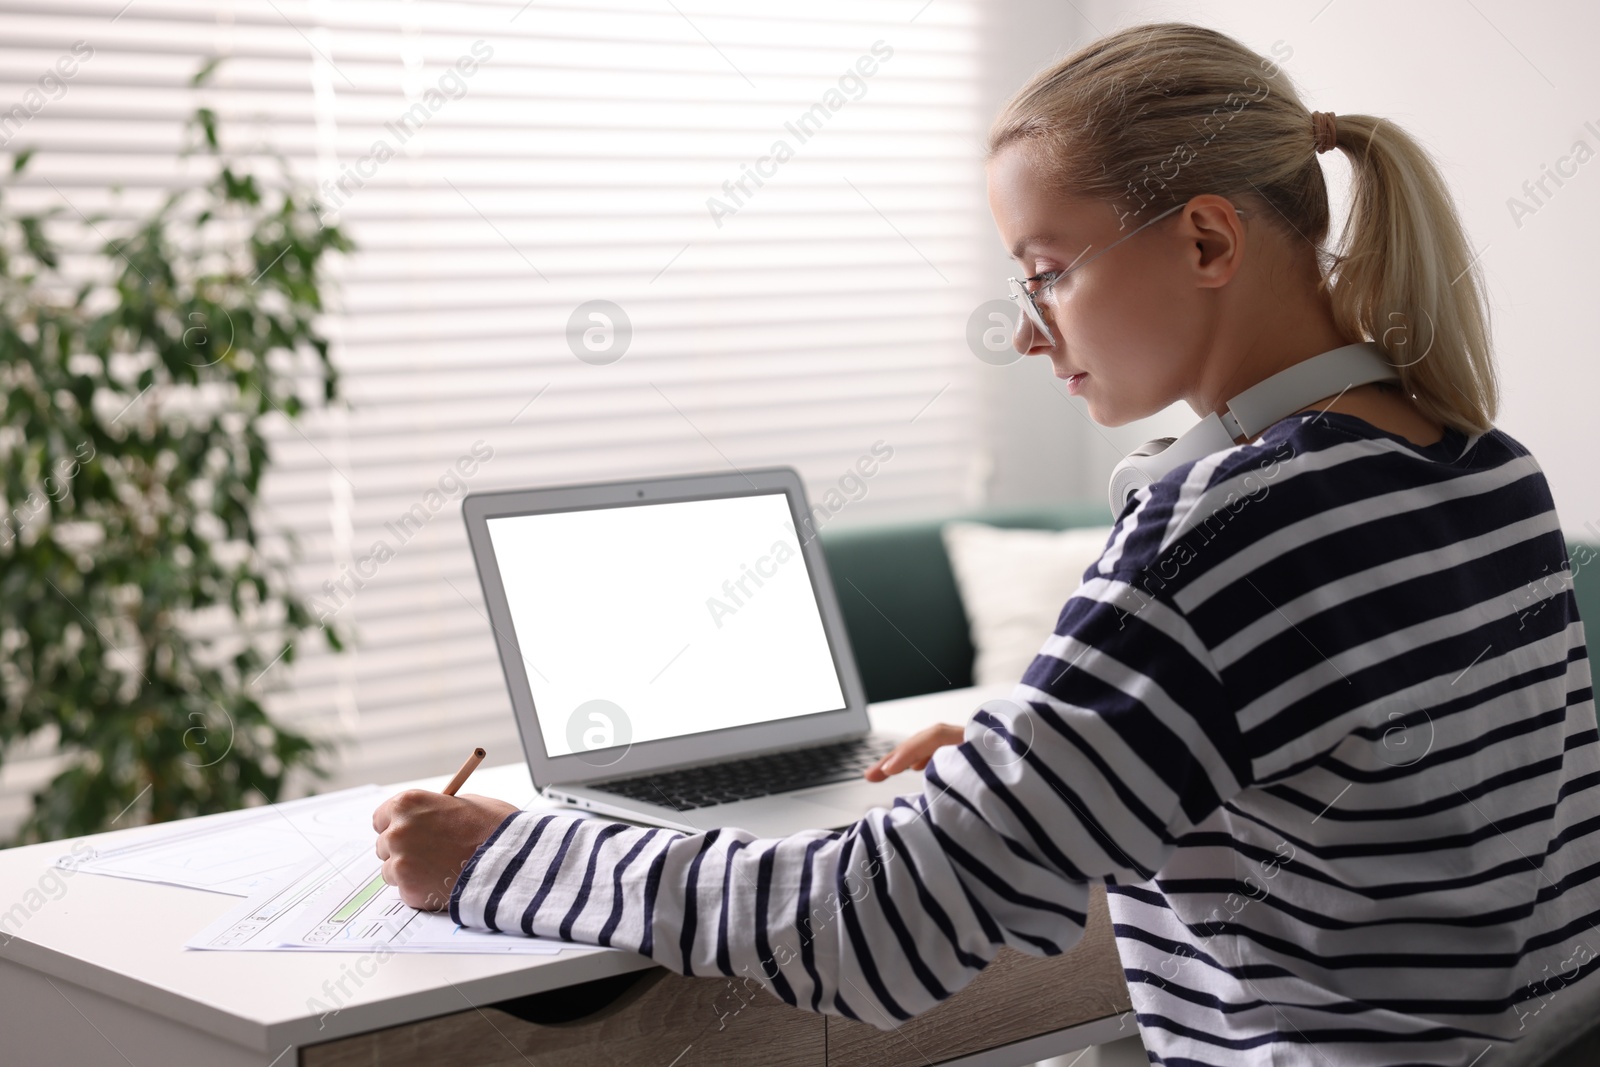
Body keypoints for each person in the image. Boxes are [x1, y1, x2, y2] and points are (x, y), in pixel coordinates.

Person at [372, 22, 1599, 1064]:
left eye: (1049, 271)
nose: (1026, 331)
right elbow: (1397, 826)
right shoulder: (1483, 469)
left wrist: (504, 852)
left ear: (1209, 242)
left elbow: (867, 929)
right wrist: (1062, 763)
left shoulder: (1223, 533)